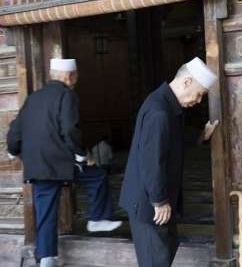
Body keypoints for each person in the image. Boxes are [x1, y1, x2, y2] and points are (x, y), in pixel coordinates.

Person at [6, 59, 122, 267]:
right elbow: (69, 128)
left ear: (52, 75)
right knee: (97, 175)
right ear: (70, 76)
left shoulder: (33, 97)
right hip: (61, 162)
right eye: (76, 76)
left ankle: (47, 258)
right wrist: (80, 155)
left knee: (46, 212)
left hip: (38, 166)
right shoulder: (67, 95)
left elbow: (15, 129)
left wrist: (13, 150)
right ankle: (96, 219)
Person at [119, 57, 218, 267]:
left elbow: (173, 133)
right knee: (156, 261)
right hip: (148, 204)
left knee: (166, 250)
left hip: (155, 201)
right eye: (199, 94)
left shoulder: (165, 103)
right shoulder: (159, 111)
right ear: (187, 82)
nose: (198, 100)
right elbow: (151, 161)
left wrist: (200, 136)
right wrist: (159, 200)